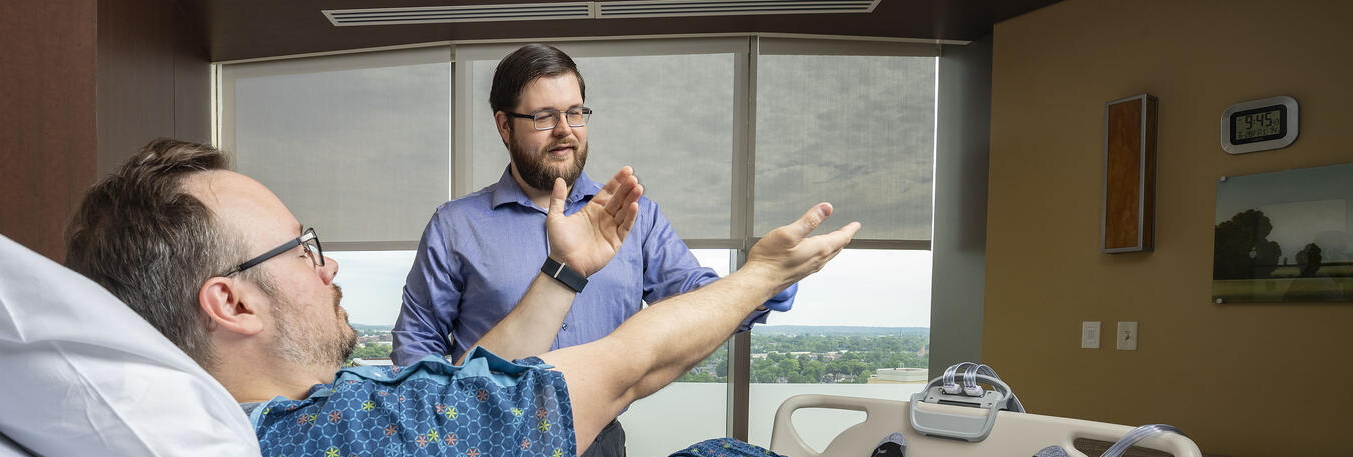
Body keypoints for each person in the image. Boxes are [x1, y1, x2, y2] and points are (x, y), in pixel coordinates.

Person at [64, 139, 858, 457]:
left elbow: (466, 394)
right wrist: (764, 274)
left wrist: (564, 272)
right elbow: (624, 367)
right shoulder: (336, 433)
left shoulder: (325, 408)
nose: (329, 263)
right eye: (302, 248)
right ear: (231, 303)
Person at [392, 43, 796, 453]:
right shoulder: (455, 226)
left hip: (601, 440)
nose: (565, 129)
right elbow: (416, 348)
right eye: (544, 116)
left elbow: (699, 301)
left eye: (574, 112)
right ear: (504, 126)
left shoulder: (636, 218)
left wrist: (768, 275)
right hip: (489, 440)